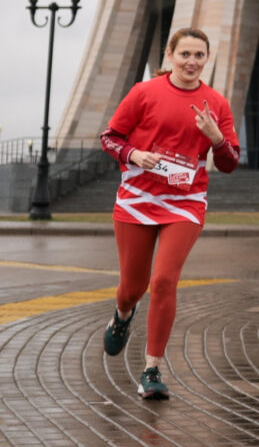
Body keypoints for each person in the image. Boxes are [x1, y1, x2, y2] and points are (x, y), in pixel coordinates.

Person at [97, 27, 241, 400]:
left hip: (185, 202)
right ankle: (122, 314)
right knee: (133, 287)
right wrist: (134, 155)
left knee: (164, 282)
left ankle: (151, 369)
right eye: (185, 55)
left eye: (199, 56)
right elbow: (110, 137)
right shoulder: (144, 92)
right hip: (136, 199)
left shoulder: (217, 104)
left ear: (206, 59)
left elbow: (229, 163)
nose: (192, 62)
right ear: (170, 57)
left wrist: (216, 138)